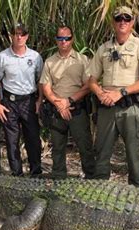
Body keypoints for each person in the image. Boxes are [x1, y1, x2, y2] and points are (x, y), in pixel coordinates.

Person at [87, 6, 139, 189]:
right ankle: (99, 191)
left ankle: (138, 194)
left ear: (132, 22)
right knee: (102, 153)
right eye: (119, 18)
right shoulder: (104, 48)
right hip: (107, 107)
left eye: (127, 18)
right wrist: (101, 93)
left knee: (134, 154)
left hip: (130, 108)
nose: (122, 22)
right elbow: (92, 79)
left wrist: (121, 92)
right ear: (113, 22)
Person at [39, 26, 96, 179]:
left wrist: (69, 101)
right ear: (56, 40)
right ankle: (59, 179)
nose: (63, 41)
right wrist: (58, 104)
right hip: (57, 110)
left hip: (77, 109)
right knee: (57, 148)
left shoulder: (83, 60)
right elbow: (46, 87)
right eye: (60, 38)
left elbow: (88, 86)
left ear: (72, 39)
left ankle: (91, 178)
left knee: (85, 146)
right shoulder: (50, 62)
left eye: (67, 38)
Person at [0, 23, 44, 177]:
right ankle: (17, 174)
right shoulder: (3, 57)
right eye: (16, 34)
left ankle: (36, 174)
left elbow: (41, 80)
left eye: (23, 34)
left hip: (29, 101)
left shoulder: (35, 57)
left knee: (33, 139)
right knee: (11, 140)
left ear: (27, 36)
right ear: (11, 36)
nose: (19, 37)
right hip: (10, 102)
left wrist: (40, 100)